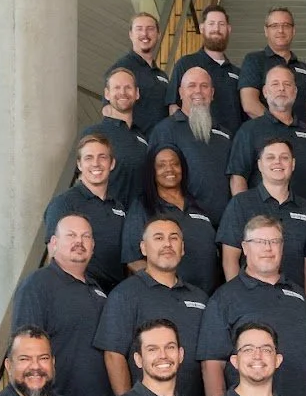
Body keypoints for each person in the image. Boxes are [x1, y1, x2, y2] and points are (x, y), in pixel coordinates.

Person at [197, 215, 306, 396]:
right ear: (245, 248)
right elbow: (212, 366)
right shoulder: (224, 298)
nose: (268, 248)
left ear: (282, 247)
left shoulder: (300, 298)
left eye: (274, 242)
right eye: (260, 242)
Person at [11, 214, 112, 396]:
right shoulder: (37, 285)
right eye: (71, 236)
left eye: (86, 236)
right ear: (53, 244)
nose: (80, 241)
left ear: (93, 246)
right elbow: (24, 354)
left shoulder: (97, 290)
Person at [94, 216, 208, 396]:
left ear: (182, 248)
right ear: (143, 248)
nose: (167, 244)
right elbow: (114, 355)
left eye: (174, 238)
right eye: (158, 238)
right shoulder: (125, 294)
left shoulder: (200, 298)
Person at [218, 137, 306, 301]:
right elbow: (230, 259)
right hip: (251, 302)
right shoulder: (241, 203)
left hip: (293, 304)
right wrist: (239, 299)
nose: (277, 162)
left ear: (292, 164)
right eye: (270, 157)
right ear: (259, 165)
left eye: (284, 158)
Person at [120, 143, 220, 294]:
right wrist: (164, 288)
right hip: (166, 299)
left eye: (175, 164)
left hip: (205, 299)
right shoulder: (143, 206)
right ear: (152, 171)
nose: (169, 169)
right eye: (161, 165)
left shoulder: (197, 206)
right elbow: (132, 260)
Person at [148, 67, 233, 227]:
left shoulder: (225, 135)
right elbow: (152, 181)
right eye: (191, 86)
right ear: (180, 92)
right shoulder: (165, 130)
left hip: (222, 229)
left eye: (204, 86)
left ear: (212, 93)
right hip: (181, 226)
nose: (198, 91)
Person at [226, 65, 306, 205]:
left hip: (300, 220)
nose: (281, 88)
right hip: (261, 220)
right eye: (275, 84)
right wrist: (246, 214)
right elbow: (238, 178)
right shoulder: (249, 130)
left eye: (287, 84)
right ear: (265, 91)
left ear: (295, 92)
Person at [44, 133, 126, 291]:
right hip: (77, 291)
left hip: (112, 297)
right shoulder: (64, 203)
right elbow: (53, 255)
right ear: (79, 165)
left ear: (112, 163)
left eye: (102, 157)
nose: (96, 163)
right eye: (88, 158)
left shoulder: (119, 208)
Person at [239, 6, 306, 128]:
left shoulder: (305, 69)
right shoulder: (254, 60)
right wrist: (281, 129)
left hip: (298, 143)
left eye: (286, 25)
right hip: (265, 139)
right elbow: (249, 104)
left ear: (293, 31)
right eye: (274, 26)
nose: (281, 30)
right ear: (266, 31)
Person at [166, 4, 243, 135]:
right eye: (211, 24)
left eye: (221, 24)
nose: (216, 29)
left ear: (229, 29)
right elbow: (173, 107)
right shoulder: (185, 64)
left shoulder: (238, 73)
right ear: (202, 28)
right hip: (196, 146)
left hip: (231, 147)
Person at [79, 67, 150, 207]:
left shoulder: (143, 139)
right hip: (104, 217)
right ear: (107, 94)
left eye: (128, 87)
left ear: (137, 94)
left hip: (136, 221)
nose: (122, 92)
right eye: (117, 87)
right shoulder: (94, 133)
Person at [108, 11, 170, 134]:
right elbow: (108, 110)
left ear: (158, 34)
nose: (144, 34)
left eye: (150, 29)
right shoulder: (121, 69)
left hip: (159, 146)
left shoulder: (162, 75)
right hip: (136, 146)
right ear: (131, 34)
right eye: (139, 29)